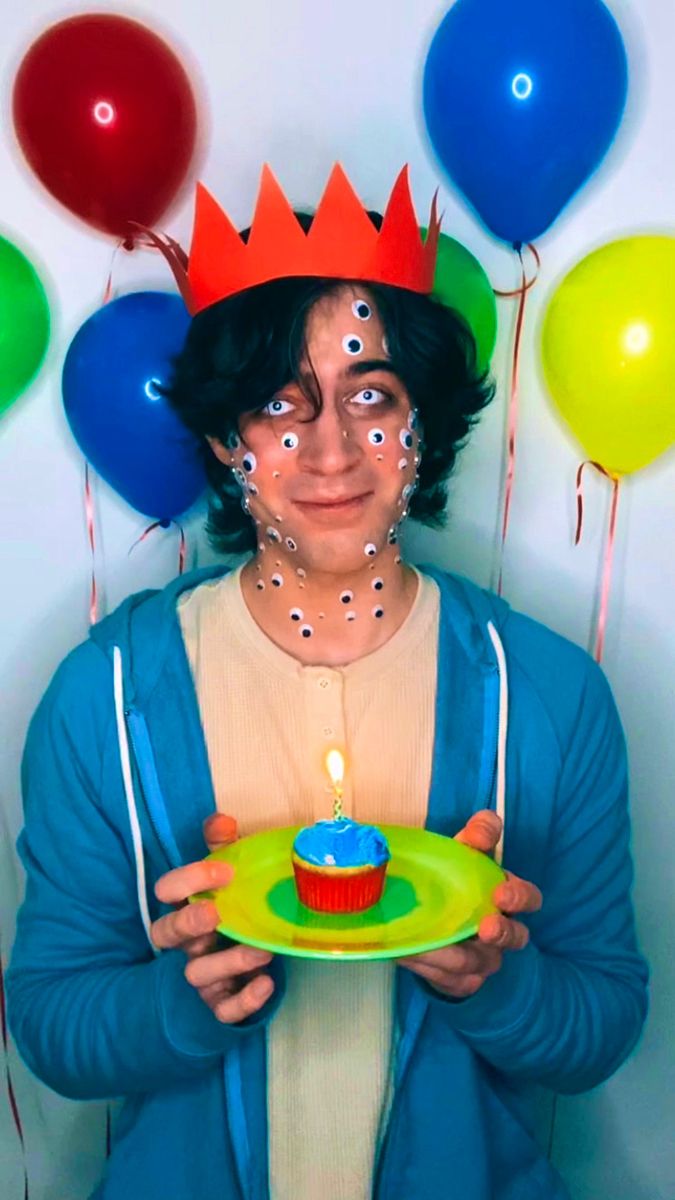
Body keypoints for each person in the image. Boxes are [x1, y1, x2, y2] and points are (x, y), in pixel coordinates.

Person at [8, 165, 648, 1200]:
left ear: (423, 428)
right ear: (224, 440)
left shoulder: (550, 697)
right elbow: (49, 1023)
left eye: (372, 398)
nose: (332, 451)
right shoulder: (105, 696)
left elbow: (604, 1024)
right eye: (279, 405)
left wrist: (496, 983)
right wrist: (182, 1001)